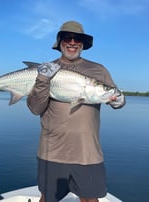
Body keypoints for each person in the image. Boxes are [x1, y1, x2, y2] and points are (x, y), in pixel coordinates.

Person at [27, 21, 125, 202]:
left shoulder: (98, 70)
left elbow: (115, 96)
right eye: (67, 38)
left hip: (87, 151)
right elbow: (35, 109)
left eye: (77, 38)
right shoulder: (46, 70)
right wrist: (42, 79)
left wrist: (120, 100)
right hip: (52, 151)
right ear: (60, 42)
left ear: (82, 43)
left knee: (90, 199)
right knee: (47, 198)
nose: (72, 42)